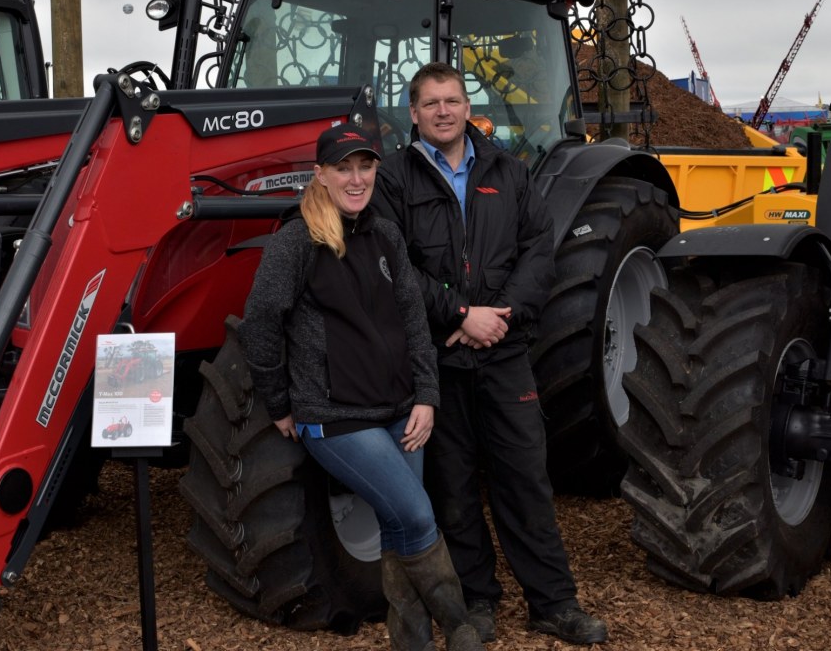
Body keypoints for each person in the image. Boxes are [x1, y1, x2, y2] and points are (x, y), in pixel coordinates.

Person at [371, 62, 608, 646]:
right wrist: (457, 317)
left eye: (452, 100)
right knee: (452, 489)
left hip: (503, 352)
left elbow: (538, 251)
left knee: (525, 478)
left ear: (466, 103)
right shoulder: (395, 179)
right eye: (431, 103)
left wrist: (497, 319)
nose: (443, 111)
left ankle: (553, 603)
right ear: (414, 112)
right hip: (439, 360)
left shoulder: (508, 169)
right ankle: (478, 605)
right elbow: (394, 264)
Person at [239, 122, 484, 651]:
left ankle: (411, 642)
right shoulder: (296, 241)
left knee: (399, 529)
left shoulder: (384, 233)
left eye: (365, 166)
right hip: (335, 416)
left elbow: (413, 319)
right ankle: (460, 626)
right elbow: (260, 320)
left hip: (400, 408)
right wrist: (278, 401)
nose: (356, 178)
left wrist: (426, 396)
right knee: (418, 515)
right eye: (343, 168)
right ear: (321, 175)